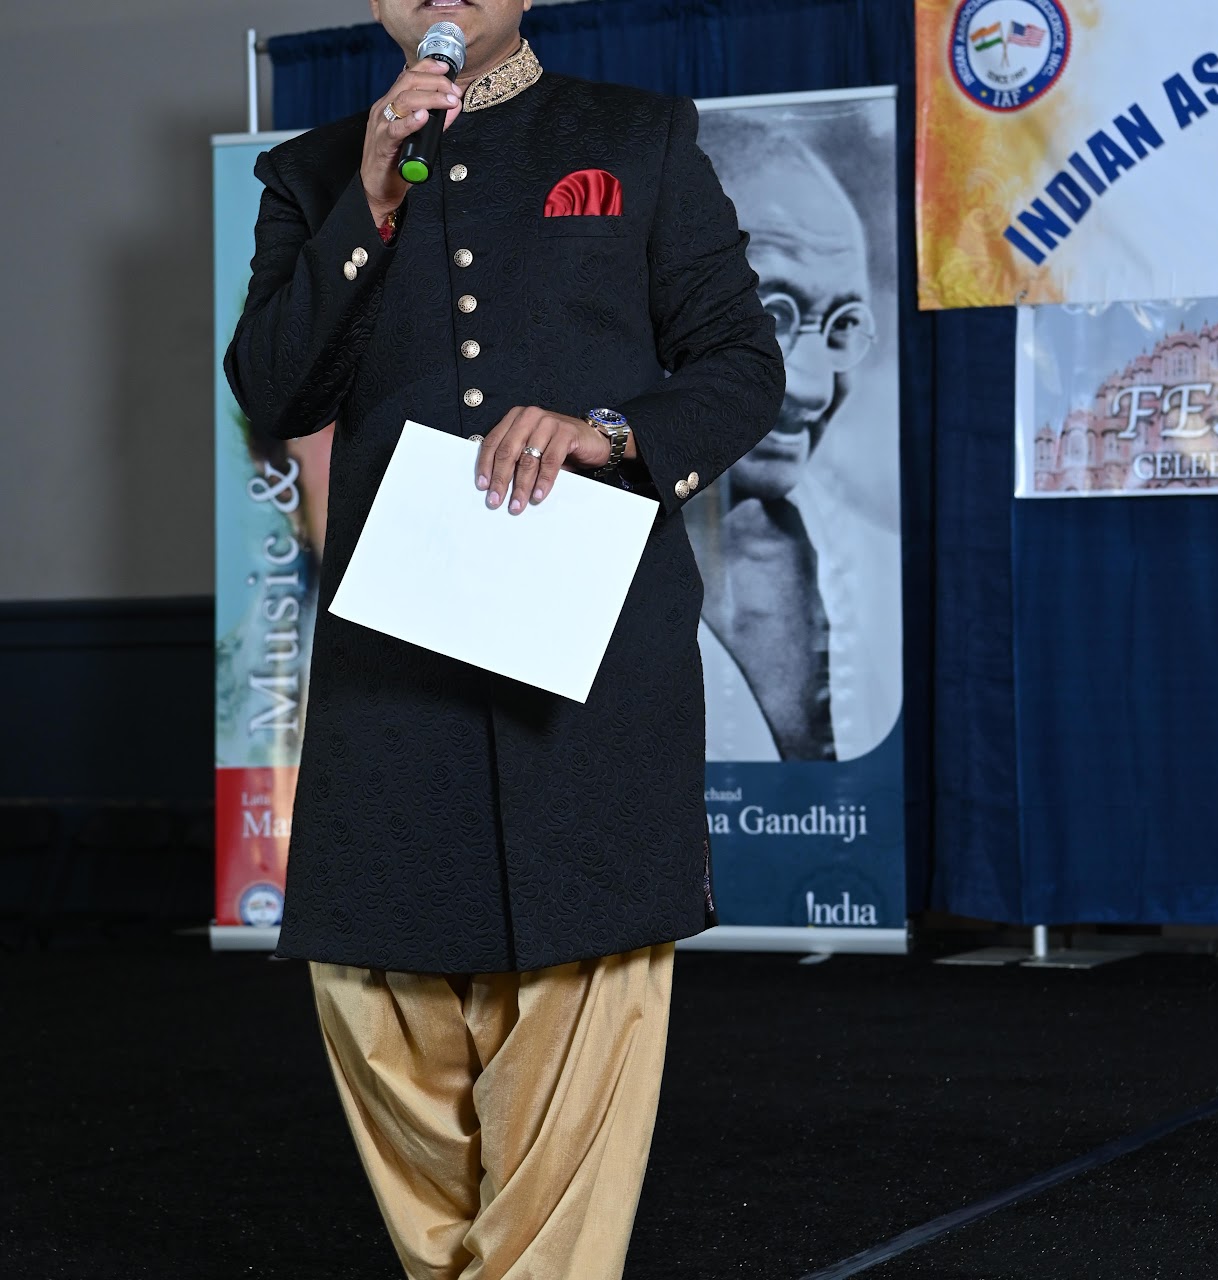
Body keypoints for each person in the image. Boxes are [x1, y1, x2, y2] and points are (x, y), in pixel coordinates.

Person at [223, 1, 784, 1277]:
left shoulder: (636, 136)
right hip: (394, 658)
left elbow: (740, 363)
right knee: (374, 997)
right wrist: (370, 202)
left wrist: (612, 432)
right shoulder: (312, 173)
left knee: (586, 983)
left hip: (588, 651)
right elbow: (273, 388)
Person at [687, 117, 902, 763]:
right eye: (772, 315)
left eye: (841, 325)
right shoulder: (545, 556)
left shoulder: (885, 574)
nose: (813, 388)